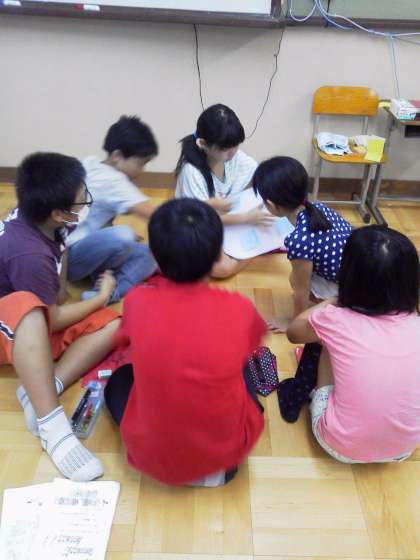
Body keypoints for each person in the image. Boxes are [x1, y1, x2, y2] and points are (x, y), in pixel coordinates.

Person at [104, 198, 266, 486]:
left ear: (155, 257)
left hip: (152, 458)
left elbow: (126, 341)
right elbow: (252, 343)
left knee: (118, 381)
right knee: (241, 368)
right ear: (218, 255)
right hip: (225, 461)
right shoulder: (240, 309)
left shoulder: (137, 301)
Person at [0, 152, 120, 481]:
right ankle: (53, 429)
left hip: (34, 320)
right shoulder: (29, 253)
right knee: (28, 309)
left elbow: (59, 275)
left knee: (114, 324)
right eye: (82, 199)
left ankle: (42, 387)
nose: (86, 203)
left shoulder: (48, 222)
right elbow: (50, 319)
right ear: (57, 212)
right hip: (14, 328)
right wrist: (100, 297)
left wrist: (63, 292)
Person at [286, 226, 420, 462]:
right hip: (404, 449)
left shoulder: (335, 319)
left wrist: (336, 299)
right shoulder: (414, 321)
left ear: (350, 275)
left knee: (324, 340)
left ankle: (321, 392)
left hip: (339, 445)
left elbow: (294, 332)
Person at [253, 156, 352, 332]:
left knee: (295, 279)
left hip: (352, 287)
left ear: (271, 205)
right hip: (358, 270)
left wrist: (293, 323)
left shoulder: (299, 242)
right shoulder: (318, 207)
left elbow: (301, 290)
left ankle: (342, 307)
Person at [175, 103, 273, 279]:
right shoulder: (191, 172)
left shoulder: (237, 159)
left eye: (235, 145)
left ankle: (244, 249)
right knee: (220, 269)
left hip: (224, 222)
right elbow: (199, 220)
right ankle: (252, 251)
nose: (232, 152)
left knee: (268, 222)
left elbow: (260, 178)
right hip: (195, 225)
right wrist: (245, 218)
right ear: (203, 144)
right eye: (224, 148)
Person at [66, 115, 158, 302]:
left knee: (151, 254)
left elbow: (94, 212)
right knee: (124, 236)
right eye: (140, 163)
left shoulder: (91, 162)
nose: (143, 170)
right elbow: (156, 214)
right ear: (117, 156)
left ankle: (103, 291)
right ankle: (107, 292)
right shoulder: (114, 181)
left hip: (83, 250)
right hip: (70, 259)